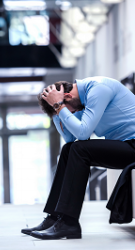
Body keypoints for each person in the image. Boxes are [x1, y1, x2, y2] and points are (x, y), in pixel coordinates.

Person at [21, 76, 135, 240]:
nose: (70, 113)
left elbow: (82, 133)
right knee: (69, 149)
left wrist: (59, 106)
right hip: (127, 145)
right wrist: (55, 111)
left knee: (80, 149)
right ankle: (55, 217)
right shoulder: (80, 99)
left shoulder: (98, 89)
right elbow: (69, 138)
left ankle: (68, 223)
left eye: (68, 110)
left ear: (67, 96)